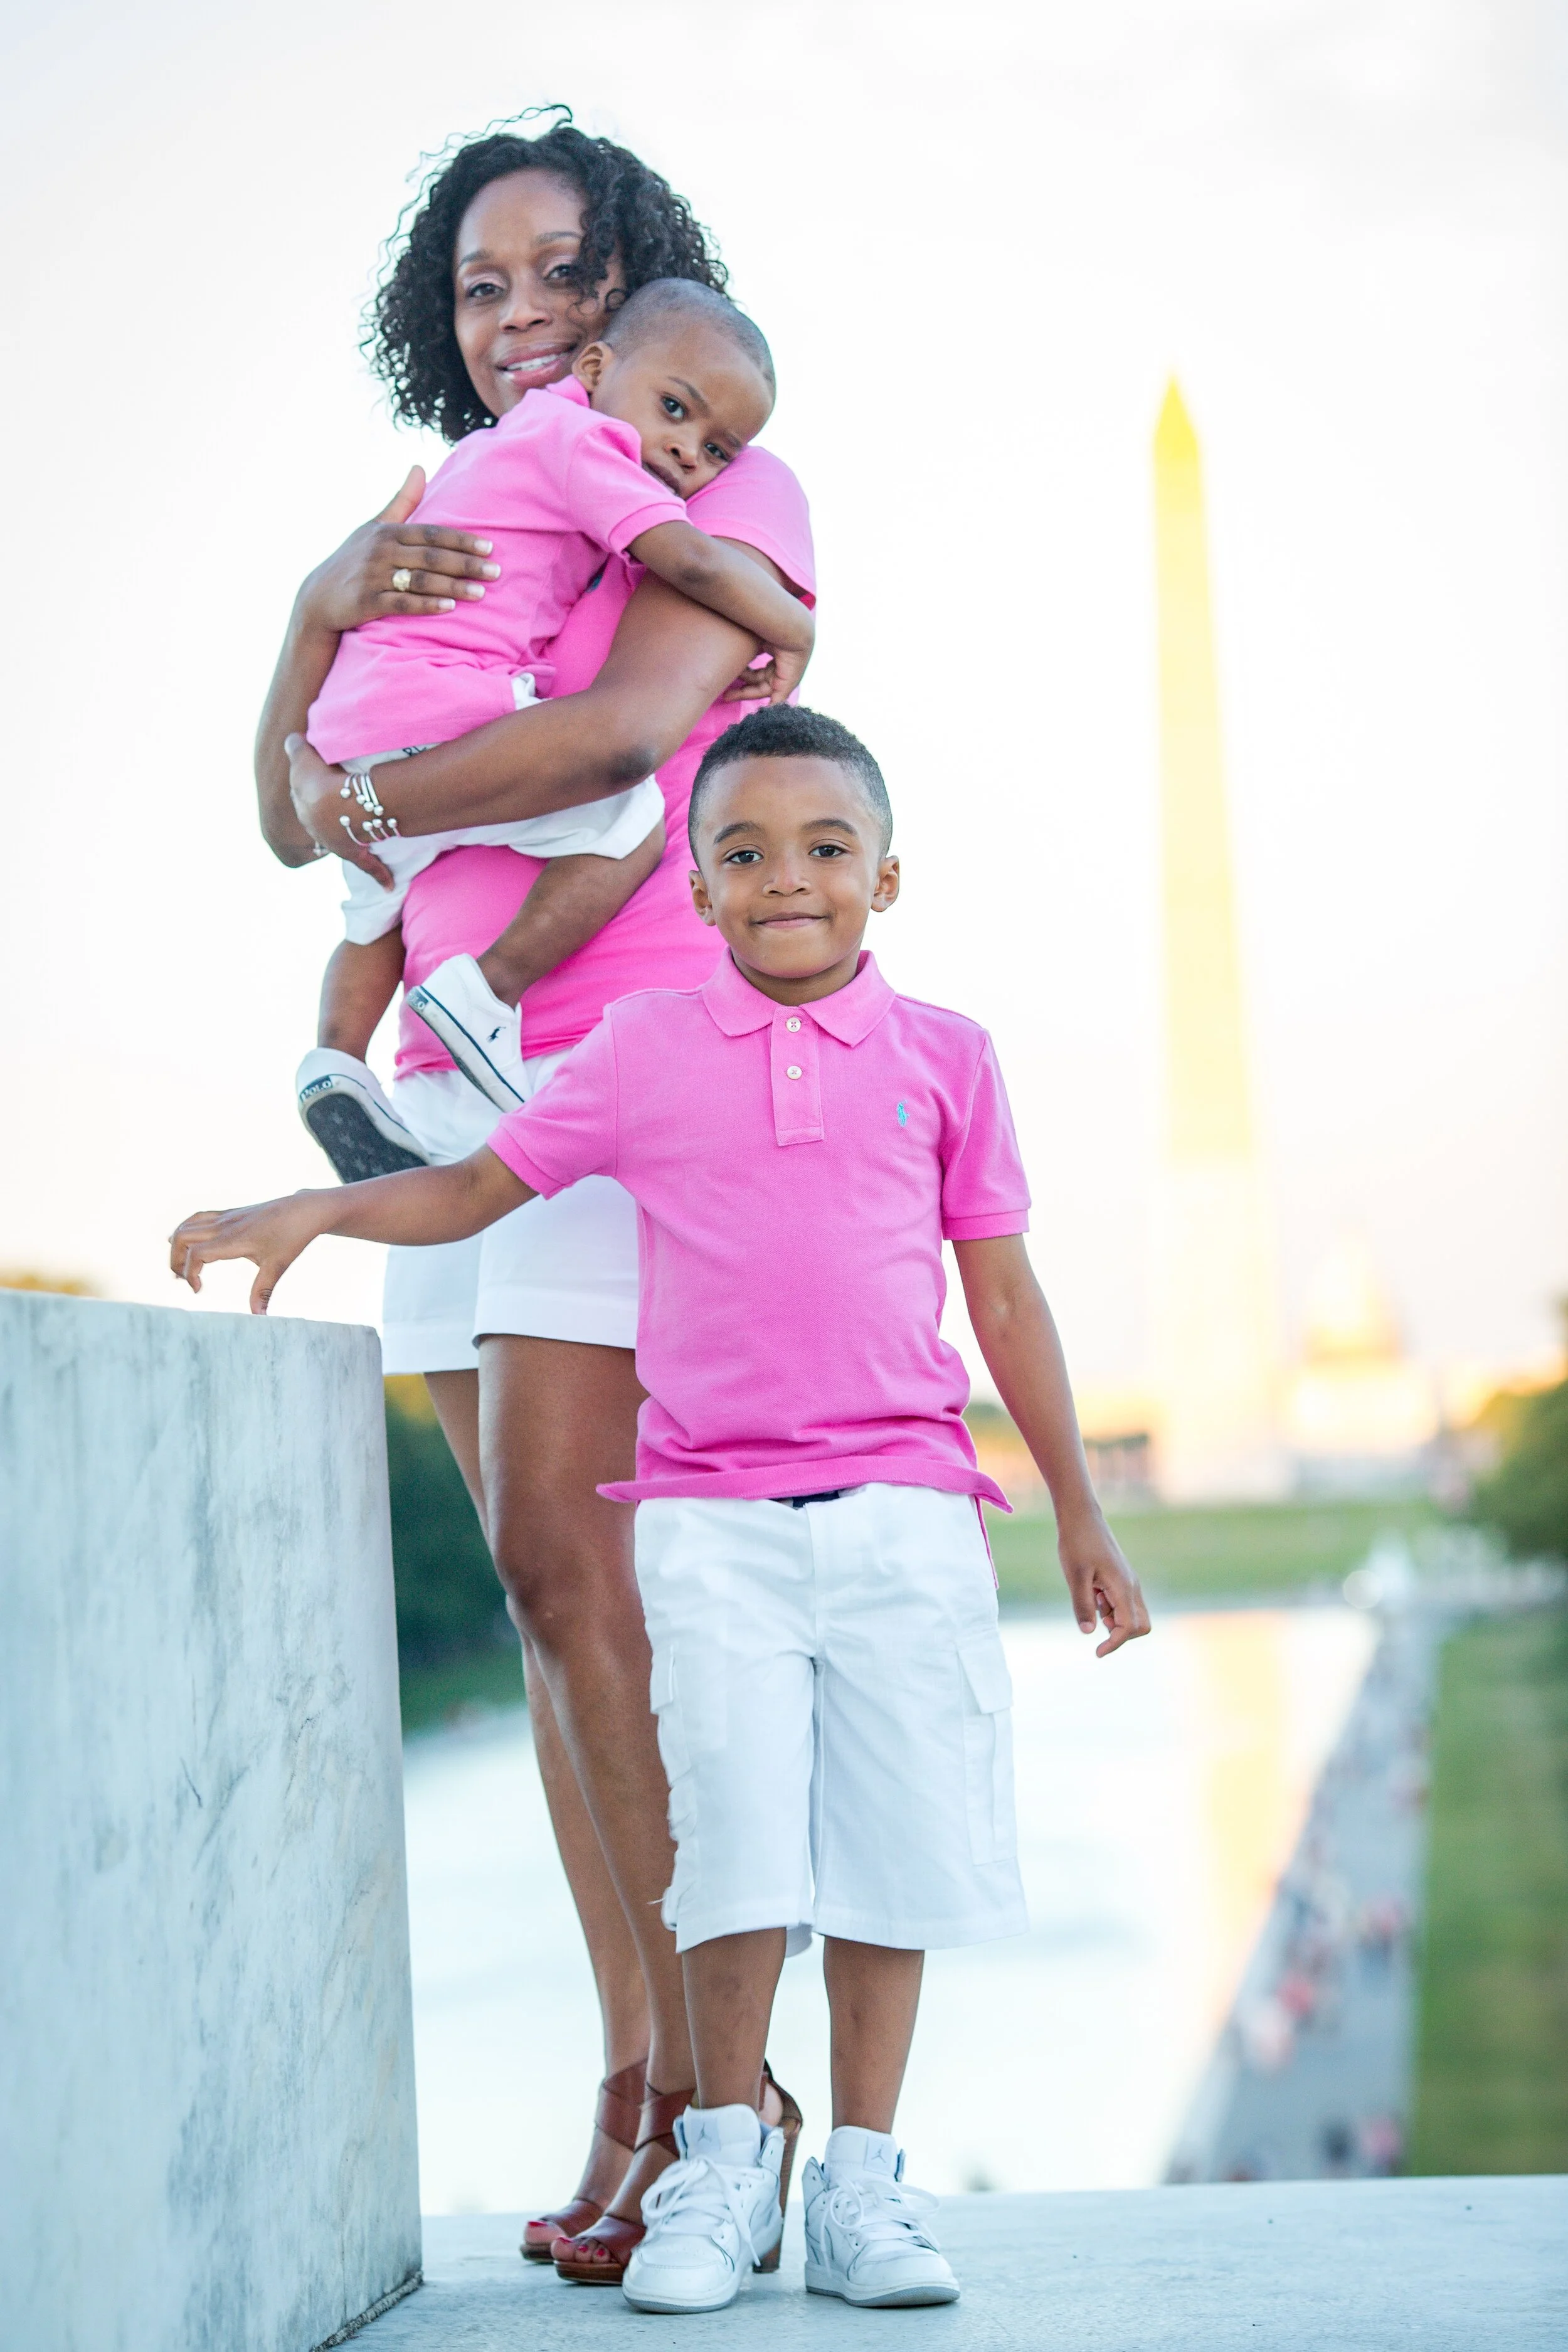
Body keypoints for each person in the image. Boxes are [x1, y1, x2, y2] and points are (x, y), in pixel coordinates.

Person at [176, 705, 1152, 2316]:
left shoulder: (949, 1058)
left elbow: (1003, 1291)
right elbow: (479, 1188)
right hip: (710, 1520)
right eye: (744, 853)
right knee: (731, 1852)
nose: (787, 880)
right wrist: (319, 1208)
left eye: (825, 850)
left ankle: (860, 2190)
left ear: (887, 878)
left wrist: (1077, 1513)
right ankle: (715, 2171)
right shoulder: (635, 1055)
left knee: (889, 1864)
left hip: (908, 1504)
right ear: (692, 890)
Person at [253, 112, 816, 2280]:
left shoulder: (715, 475)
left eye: (555, 274)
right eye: (476, 284)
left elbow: (611, 741)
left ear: (637, 282)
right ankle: (643, 2075)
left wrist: (362, 782)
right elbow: (286, 814)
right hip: (433, 1094)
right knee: (547, 1609)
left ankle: (720, 2100)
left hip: (618, 1062)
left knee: (614, 1604)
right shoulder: (449, 508)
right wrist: (312, 609)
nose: (514, 320)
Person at [299, 277, 813, 1179]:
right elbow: (680, 567)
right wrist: (796, 624)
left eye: (715, 446)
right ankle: (485, 992)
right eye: (676, 412)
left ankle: (335, 1064)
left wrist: (348, 799)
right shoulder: (583, 442)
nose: (689, 454)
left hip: (358, 724)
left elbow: (297, 822)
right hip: (437, 717)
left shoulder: (478, 463)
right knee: (631, 820)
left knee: (369, 915)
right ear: (598, 364)